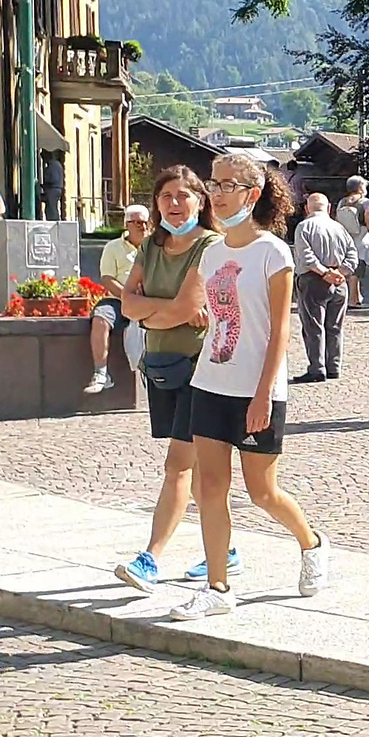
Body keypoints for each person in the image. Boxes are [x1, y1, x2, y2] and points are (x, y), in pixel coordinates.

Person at [169, 155, 331, 621]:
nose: (216, 194)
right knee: (210, 486)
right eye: (213, 184)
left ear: (252, 194)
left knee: (261, 490)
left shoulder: (273, 253)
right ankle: (217, 586)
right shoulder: (213, 252)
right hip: (210, 381)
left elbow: (279, 330)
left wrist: (263, 393)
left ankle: (312, 542)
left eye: (227, 185)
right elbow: (210, 312)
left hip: (257, 388)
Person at [113, 167, 231, 592]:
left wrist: (151, 310)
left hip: (201, 368)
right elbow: (126, 305)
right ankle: (225, 547)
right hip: (162, 365)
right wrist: (161, 311)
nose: (174, 203)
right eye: (166, 196)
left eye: (184, 195)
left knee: (178, 466)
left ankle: (150, 559)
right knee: (200, 468)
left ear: (200, 201)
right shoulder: (151, 246)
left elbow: (186, 308)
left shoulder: (210, 246)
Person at [292, 192, 358, 384]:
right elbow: (352, 255)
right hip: (339, 282)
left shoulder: (304, 227)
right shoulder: (340, 228)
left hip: (313, 281)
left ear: (306, 208)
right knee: (335, 326)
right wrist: (339, 272)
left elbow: (306, 256)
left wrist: (324, 273)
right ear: (328, 208)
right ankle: (334, 366)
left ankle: (317, 368)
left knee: (314, 326)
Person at [85, 204, 150, 393]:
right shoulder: (113, 247)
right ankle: (101, 373)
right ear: (126, 224)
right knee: (100, 319)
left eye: (145, 222)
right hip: (118, 299)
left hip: (149, 300)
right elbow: (107, 278)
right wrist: (128, 297)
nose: (142, 227)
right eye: (137, 222)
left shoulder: (155, 247)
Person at [334, 176, 369, 307]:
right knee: (357, 270)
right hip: (361, 238)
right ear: (360, 188)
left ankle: (357, 296)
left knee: (350, 268)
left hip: (345, 239)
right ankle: (352, 300)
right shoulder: (364, 202)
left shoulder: (342, 202)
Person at [41, 151, 64, 222]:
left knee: (51, 208)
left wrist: (44, 184)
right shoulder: (58, 164)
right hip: (57, 188)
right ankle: (54, 220)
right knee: (53, 206)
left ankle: (53, 221)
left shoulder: (52, 165)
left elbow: (52, 178)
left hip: (52, 189)